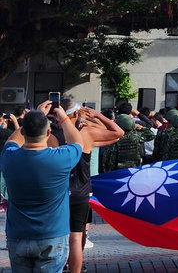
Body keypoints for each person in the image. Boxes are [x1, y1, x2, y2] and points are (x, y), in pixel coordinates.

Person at [1, 102, 82, 272]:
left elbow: (12, 140)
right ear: (48, 132)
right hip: (52, 235)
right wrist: (64, 118)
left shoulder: (9, 157)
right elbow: (77, 142)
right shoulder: (61, 159)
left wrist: (35, 116)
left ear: (23, 131)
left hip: (18, 235)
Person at [52, 100, 124, 273]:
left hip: (58, 193)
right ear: (76, 115)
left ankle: (58, 267)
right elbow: (118, 132)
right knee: (77, 237)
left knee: (56, 236)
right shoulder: (87, 134)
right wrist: (97, 116)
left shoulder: (50, 135)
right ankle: (75, 269)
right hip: (81, 191)